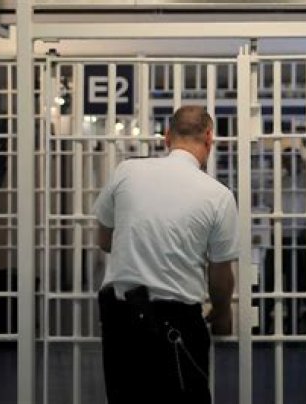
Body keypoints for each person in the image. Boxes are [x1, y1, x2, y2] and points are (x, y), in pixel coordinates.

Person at [92, 105, 238, 404]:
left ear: (167, 137)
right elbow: (220, 276)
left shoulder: (127, 171)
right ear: (209, 138)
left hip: (123, 321)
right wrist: (222, 314)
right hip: (179, 323)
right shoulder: (218, 196)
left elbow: (105, 240)